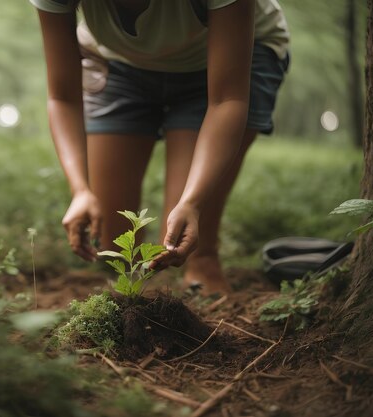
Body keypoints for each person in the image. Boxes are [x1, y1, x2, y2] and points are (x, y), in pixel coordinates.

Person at [30, 0, 289, 295]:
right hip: (120, 63)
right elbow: (63, 97)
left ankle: (205, 260)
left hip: (224, 60)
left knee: (183, 240)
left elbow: (227, 100)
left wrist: (192, 202)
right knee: (115, 241)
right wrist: (80, 190)